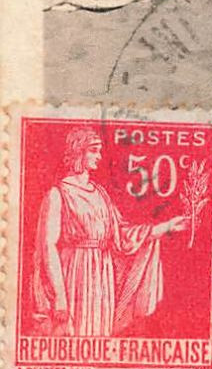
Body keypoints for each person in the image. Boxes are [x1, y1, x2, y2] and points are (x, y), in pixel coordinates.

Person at [28, 128, 188, 337]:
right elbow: (48, 247)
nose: (99, 156)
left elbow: (121, 234)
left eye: (99, 150)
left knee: (98, 335)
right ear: (78, 151)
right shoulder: (58, 194)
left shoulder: (100, 193)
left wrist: (165, 227)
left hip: (102, 276)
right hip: (75, 274)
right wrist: (60, 297)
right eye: (93, 150)